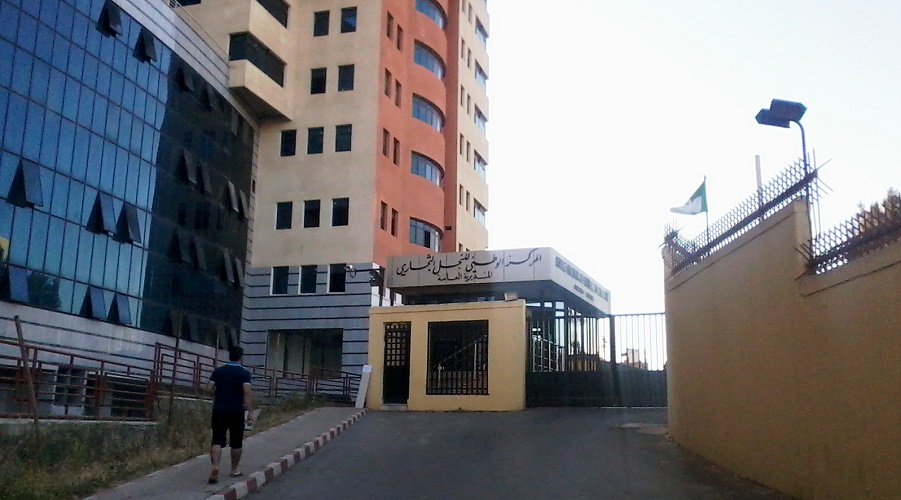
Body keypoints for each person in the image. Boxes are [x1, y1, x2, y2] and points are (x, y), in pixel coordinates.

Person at [205, 346, 254, 484]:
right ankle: (234, 469)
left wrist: (219, 394)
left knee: (217, 439)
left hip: (219, 409)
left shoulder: (219, 371)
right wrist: (250, 412)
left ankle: (215, 466)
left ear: (229, 356)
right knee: (236, 441)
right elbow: (247, 392)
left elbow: (208, 388)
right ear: (241, 357)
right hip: (236, 410)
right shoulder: (244, 373)